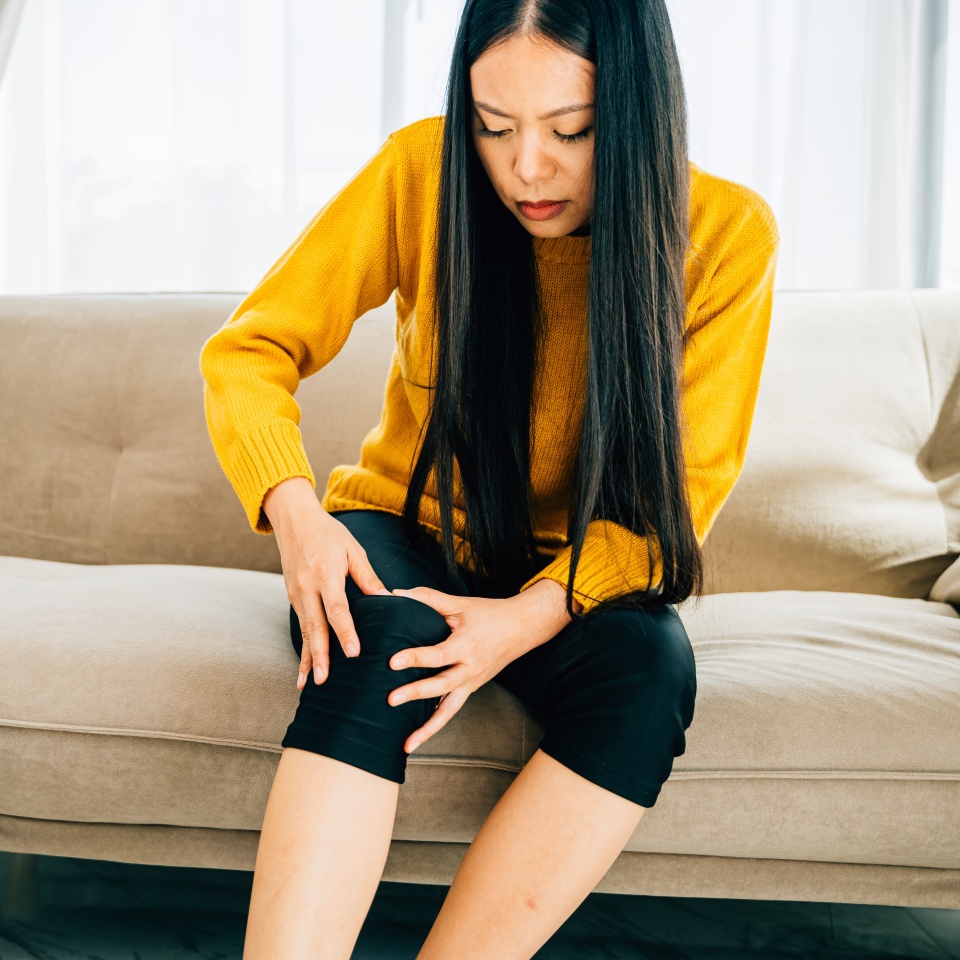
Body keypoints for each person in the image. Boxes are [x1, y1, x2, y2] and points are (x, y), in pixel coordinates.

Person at [199, 0, 779, 956]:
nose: (526, 169)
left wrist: (523, 620)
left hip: (576, 565)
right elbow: (249, 349)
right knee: (370, 626)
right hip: (408, 523)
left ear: (638, 113)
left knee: (650, 674)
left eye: (574, 131)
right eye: (494, 125)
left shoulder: (725, 236)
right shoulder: (420, 171)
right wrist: (297, 515)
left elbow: (677, 500)